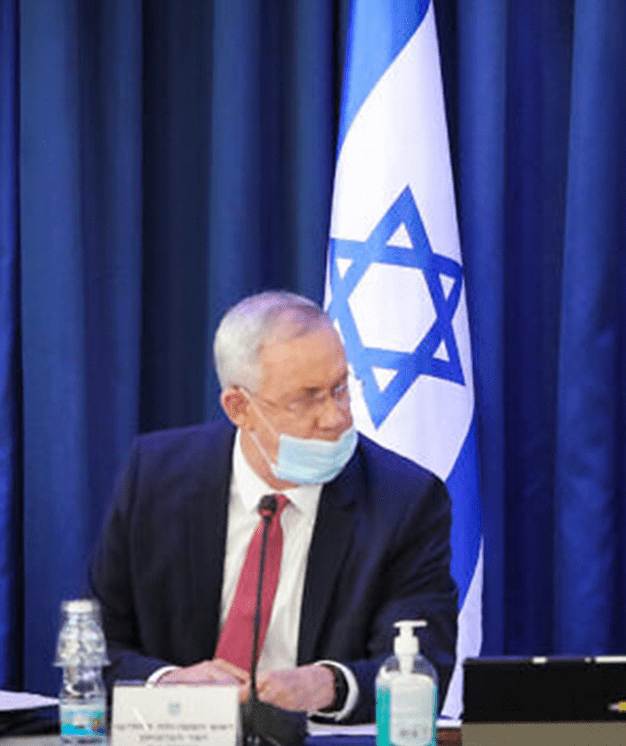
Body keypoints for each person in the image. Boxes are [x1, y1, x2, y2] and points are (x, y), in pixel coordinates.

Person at [88, 291, 458, 724]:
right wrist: (168, 682)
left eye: (339, 388)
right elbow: (93, 648)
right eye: (307, 399)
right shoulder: (154, 478)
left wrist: (331, 685)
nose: (335, 417)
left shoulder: (405, 500)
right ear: (239, 407)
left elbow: (424, 666)